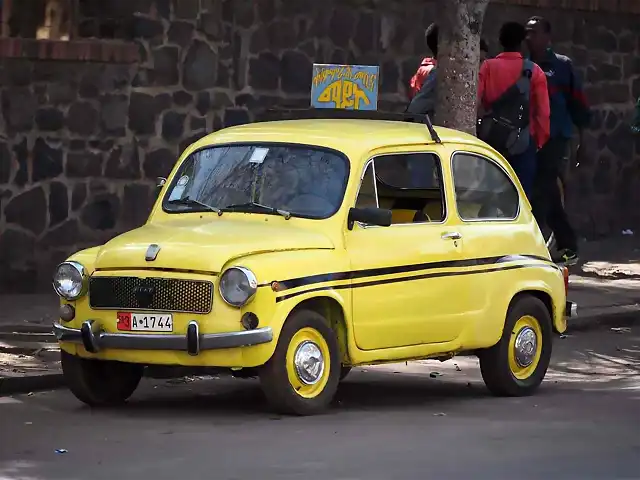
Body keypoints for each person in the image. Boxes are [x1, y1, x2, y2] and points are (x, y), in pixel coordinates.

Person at [526, 16, 590, 265]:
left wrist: (582, 142)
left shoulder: (562, 66)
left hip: (556, 138)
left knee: (544, 187)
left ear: (547, 37)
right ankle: (565, 243)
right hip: (530, 139)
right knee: (543, 190)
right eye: (526, 33)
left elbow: (579, 106)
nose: (529, 38)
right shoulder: (525, 66)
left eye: (534, 33)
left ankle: (542, 244)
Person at [477, 21, 550, 198]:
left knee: (489, 197)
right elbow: (543, 112)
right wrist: (538, 141)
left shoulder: (487, 67)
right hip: (523, 142)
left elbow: (475, 102)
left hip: (491, 140)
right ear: (521, 42)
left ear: (500, 41)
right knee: (521, 198)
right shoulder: (535, 71)